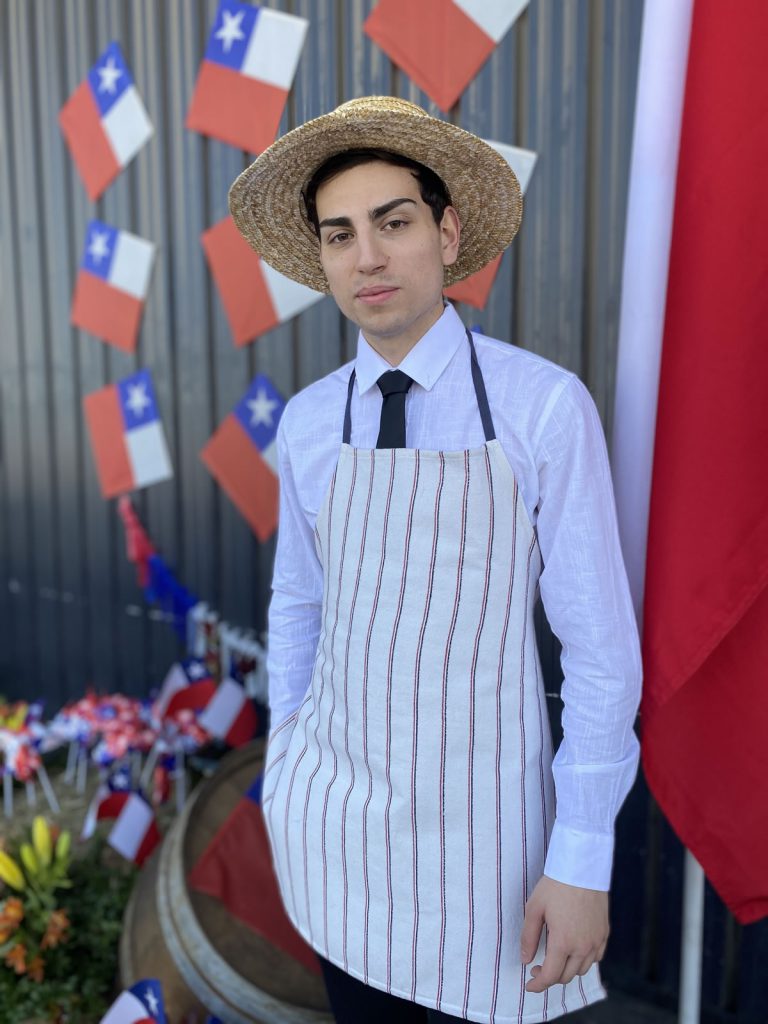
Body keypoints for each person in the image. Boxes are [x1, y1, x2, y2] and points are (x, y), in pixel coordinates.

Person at [229, 96, 642, 1024]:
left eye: (394, 222)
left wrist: (582, 856)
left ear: (448, 233)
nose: (367, 257)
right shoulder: (309, 421)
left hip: (486, 857)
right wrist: (288, 758)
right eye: (339, 235)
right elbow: (299, 605)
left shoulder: (542, 408)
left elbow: (601, 653)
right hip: (334, 834)